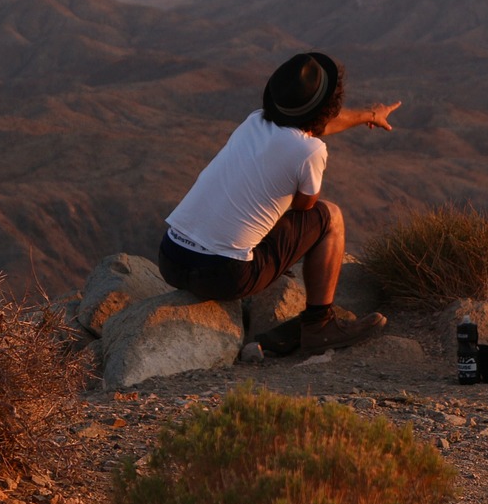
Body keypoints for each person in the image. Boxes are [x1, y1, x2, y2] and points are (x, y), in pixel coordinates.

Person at [158, 52, 400, 356]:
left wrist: (368, 114)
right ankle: (319, 326)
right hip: (223, 276)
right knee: (330, 217)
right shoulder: (311, 151)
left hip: (171, 257)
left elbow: (315, 125)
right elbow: (304, 206)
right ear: (329, 108)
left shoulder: (254, 122)